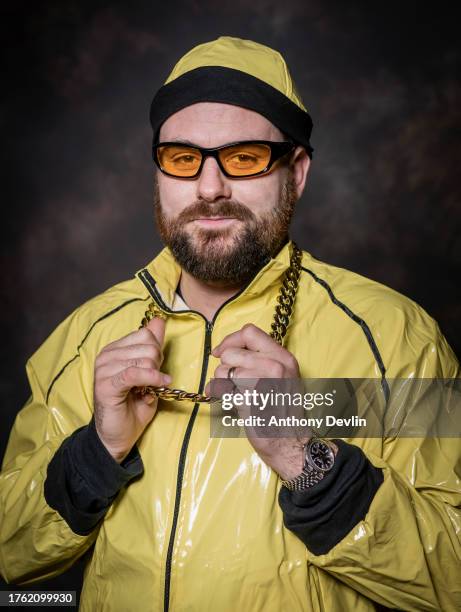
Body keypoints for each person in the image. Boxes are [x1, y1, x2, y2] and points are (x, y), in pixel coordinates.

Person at [0, 36, 459, 612]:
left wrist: (305, 458)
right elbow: (11, 555)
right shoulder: (86, 338)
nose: (210, 188)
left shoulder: (395, 339)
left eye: (243, 158)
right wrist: (98, 450)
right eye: (183, 159)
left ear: (297, 171)